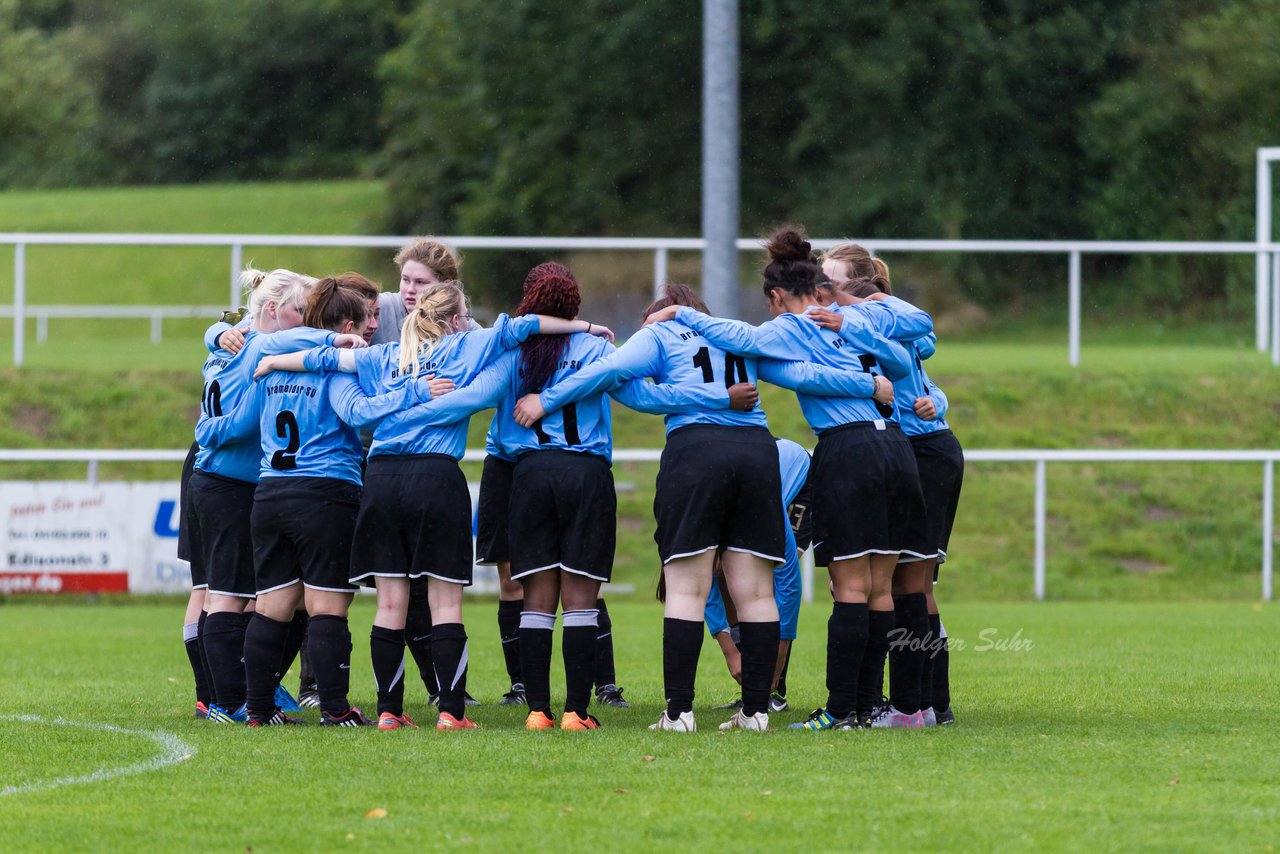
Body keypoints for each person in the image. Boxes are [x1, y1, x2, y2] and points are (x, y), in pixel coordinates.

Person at [517, 281, 888, 732]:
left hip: (696, 453)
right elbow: (803, 374)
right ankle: (755, 712)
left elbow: (607, 374)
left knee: (686, 589)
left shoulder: (660, 334)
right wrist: (868, 384)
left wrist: (545, 400)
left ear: (659, 315)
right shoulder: (735, 333)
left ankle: (679, 713)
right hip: (756, 451)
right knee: (755, 592)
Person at [257, 278, 614, 730]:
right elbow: (521, 329)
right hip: (436, 477)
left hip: (382, 476)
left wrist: (271, 361)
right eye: (465, 316)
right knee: (446, 605)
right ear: (455, 319)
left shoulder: (383, 355)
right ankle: (451, 712)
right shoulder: (467, 346)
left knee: (390, 605)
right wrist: (586, 325)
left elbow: (323, 359)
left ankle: (389, 712)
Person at [642, 228, 928, 731]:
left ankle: (842, 709)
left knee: (850, 588)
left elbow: (752, 345)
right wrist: (867, 343)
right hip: (898, 447)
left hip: (850, 448)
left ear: (775, 296)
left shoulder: (787, 328)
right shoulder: (858, 315)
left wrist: (683, 314)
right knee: (883, 588)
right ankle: (873, 705)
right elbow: (912, 349)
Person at [197, 274, 435, 727]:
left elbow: (240, 421)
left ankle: (259, 711)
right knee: (328, 607)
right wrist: (416, 392)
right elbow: (358, 412)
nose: (369, 330)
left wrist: (204, 431)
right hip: (325, 494)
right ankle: (334, 709)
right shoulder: (335, 365)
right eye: (365, 321)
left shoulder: (270, 366)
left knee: (272, 606)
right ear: (344, 323)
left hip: (270, 494)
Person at [191, 268, 366, 725]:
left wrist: (218, 331)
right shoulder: (260, 347)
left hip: (240, 483)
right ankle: (229, 702)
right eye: (298, 310)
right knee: (227, 596)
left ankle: (233, 699)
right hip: (231, 481)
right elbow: (244, 421)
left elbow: (227, 343)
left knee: (241, 596)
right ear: (272, 309)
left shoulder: (230, 342)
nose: (305, 320)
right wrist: (334, 343)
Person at [817, 244, 963, 726]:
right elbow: (920, 374)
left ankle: (910, 705)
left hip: (921, 451)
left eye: (832, 281)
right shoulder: (849, 324)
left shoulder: (877, 316)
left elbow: (920, 344)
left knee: (908, 585)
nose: (823, 289)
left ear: (857, 285)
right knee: (905, 584)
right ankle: (922, 703)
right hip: (904, 450)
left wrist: (935, 402)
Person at [704, 438, 810, 712]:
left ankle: (775, 691)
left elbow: (790, 586)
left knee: (767, 581)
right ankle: (753, 688)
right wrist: (730, 652)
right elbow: (701, 584)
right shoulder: (703, 515)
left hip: (798, 487)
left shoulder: (764, 510)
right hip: (749, 485)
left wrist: (777, 661)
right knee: (725, 576)